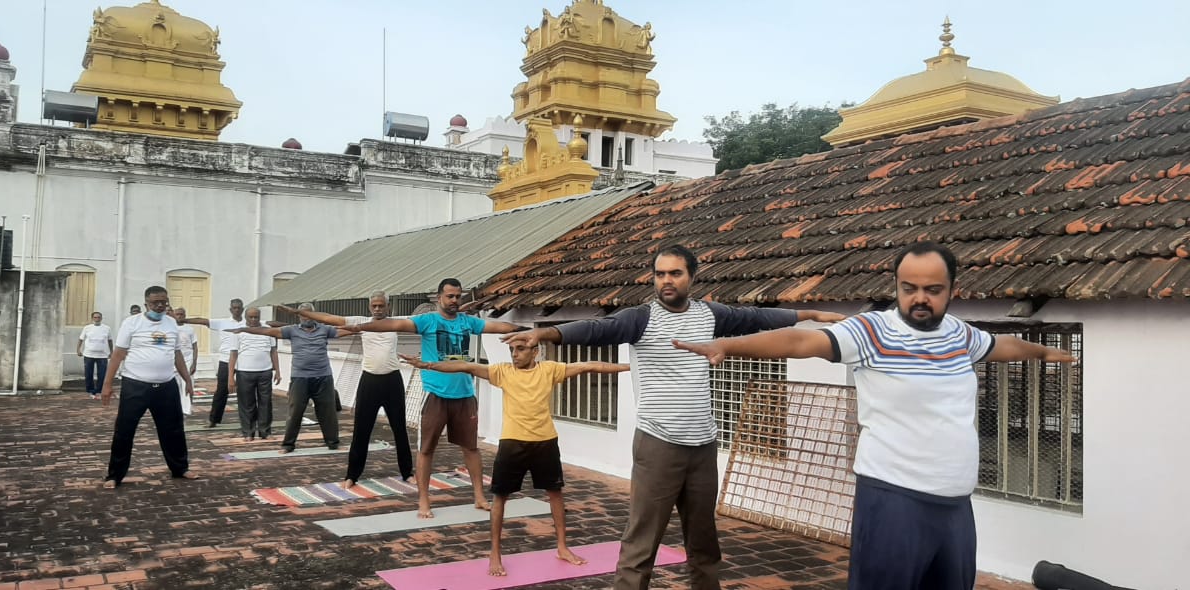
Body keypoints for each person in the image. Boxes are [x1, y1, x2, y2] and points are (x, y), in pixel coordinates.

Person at [671, 241, 1077, 590]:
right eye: (909, 288)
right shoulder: (872, 331)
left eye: (933, 290)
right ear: (896, 287)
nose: (920, 298)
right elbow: (800, 341)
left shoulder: (959, 334)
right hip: (893, 499)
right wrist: (727, 344)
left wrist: (1045, 353)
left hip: (955, 506)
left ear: (953, 289)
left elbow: (1001, 345)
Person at [502, 244, 845, 590]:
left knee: (704, 543)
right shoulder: (640, 318)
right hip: (658, 445)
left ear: (692, 277)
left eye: (675, 273)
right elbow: (596, 329)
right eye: (660, 274)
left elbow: (756, 317)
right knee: (642, 544)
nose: (666, 280)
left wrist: (810, 315)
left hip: (702, 447)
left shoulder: (709, 314)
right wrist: (545, 333)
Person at [399, 342, 629, 577]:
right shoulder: (503, 372)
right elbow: (464, 366)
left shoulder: (549, 370)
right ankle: (495, 553)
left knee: (555, 494)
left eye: (520, 349)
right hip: (512, 443)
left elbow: (588, 366)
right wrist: (426, 364)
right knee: (500, 498)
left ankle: (562, 547)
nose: (515, 354)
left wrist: (630, 367)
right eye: (512, 350)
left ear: (535, 351)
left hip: (545, 441)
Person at [345, 278, 527, 518]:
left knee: (471, 448)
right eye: (450, 296)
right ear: (439, 297)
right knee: (426, 450)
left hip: (465, 395)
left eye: (458, 296)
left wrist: (526, 331)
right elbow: (394, 325)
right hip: (435, 395)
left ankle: (480, 497)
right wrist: (362, 327)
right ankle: (423, 501)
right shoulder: (427, 321)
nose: (454, 301)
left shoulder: (467, 322)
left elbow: (496, 328)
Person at [287, 291, 415, 489]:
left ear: (388, 307)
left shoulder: (397, 322)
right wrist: (302, 312)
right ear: (369, 307)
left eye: (382, 306)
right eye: (375, 306)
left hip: (392, 381)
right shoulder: (361, 322)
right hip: (369, 382)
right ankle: (352, 475)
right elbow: (330, 319)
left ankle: (407, 472)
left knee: (399, 429)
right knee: (361, 430)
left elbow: (428, 320)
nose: (378, 309)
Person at [100, 286, 199, 489]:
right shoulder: (132, 323)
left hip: (166, 386)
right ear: (146, 304)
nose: (160, 306)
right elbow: (118, 354)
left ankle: (180, 468)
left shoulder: (171, 323)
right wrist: (107, 385)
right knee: (124, 431)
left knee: (173, 430)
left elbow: (177, 354)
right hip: (135, 385)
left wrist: (187, 380)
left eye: (164, 301)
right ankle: (115, 475)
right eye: (155, 302)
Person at [229, 303, 347, 453]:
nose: (306, 318)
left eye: (309, 314)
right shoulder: (292, 330)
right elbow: (269, 331)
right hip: (300, 378)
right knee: (295, 412)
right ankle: (288, 445)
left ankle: (333, 442)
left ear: (314, 315)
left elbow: (346, 329)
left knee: (327, 412)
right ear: (299, 316)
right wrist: (245, 329)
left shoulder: (324, 329)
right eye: (303, 314)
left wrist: (365, 328)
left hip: (323, 377)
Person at [183, 298, 245, 427]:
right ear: (230, 309)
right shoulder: (222, 322)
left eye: (239, 307)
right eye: (234, 307)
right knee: (221, 391)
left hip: (244, 361)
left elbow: (270, 324)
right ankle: (214, 419)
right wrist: (183, 320)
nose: (237, 310)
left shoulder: (249, 322)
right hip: (225, 361)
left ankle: (247, 421)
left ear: (242, 309)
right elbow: (203, 321)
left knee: (245, 391)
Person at [227, 307, 280, 441]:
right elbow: (233, 354)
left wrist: (278, 371)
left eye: (256, 317)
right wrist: (230, 377)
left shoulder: (267, 329)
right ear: (245, 317)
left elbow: (273, 351)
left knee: (266, 403)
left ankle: (265, 432)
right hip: (244, 372)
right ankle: (248, 432)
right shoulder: (238, 330)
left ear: (259, 316)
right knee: (246, 404)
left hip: (265, 371)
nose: (253, 320)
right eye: (250, 317)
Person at [77, 311, 113, 400]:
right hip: (89, 354)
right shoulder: (87, 328)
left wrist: (111, 352)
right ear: (92, 318)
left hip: (102, 355)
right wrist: (78, 349)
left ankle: (99, 390)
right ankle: (90, 390)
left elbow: (110, 341)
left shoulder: (107, 328)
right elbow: (81, 339)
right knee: (88, 373)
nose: (97, 319)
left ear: (101, 318)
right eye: (95, 317)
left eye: (98, 317)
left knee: (102, 374)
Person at [171, 308, 198, 416]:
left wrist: (194, 363)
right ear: (174, 315)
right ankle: (176, 408)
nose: (179, 316)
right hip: (174, 360)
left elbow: (195, 346)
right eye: (177, 314)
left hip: (188, 359)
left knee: (188, 383)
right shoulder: (171, 328)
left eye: (182, 314)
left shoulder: (190, 329)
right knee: (176, 385)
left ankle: (186, 409)